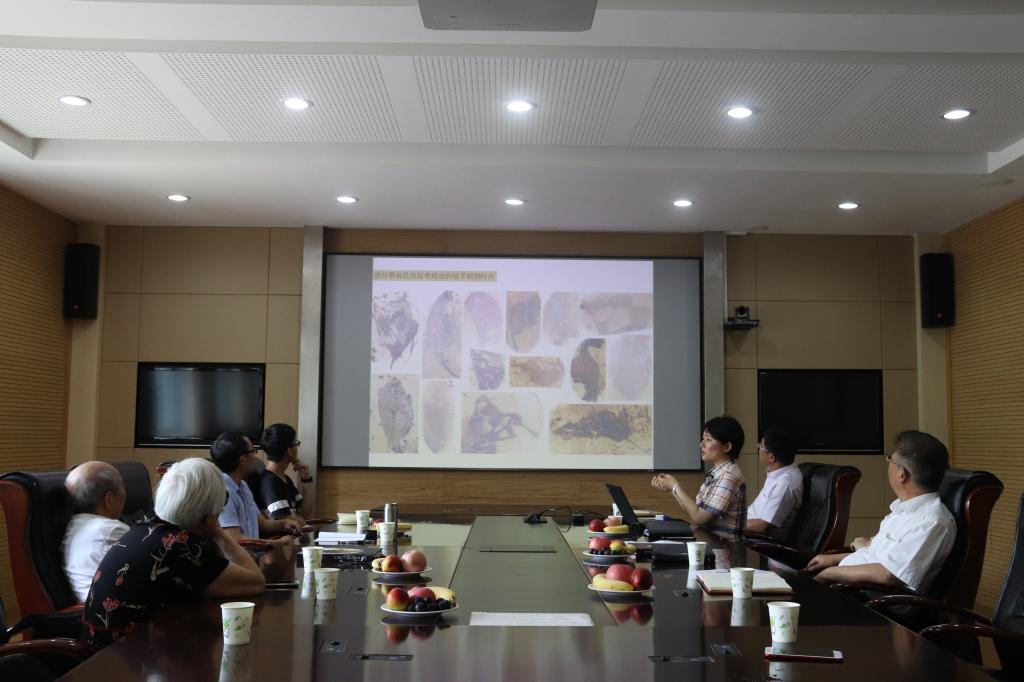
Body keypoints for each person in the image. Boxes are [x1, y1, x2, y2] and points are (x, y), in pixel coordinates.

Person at [82, 458, 265, 648]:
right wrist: (219, 533)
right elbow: (256, 582)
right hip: (123, 656)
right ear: (209, 510)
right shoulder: (181, 547)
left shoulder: (147, 526)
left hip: (110, 648)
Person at [807, 430, 956, 593]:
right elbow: (876, 558)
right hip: (849, 587)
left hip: (864, 598)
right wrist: (833, 559)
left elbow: (887, 574)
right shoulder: (903, 509)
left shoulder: (931, 521)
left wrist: (829, 573)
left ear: (901, 474)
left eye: (890, 459)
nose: (888, 463)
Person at [651, 416, 747, 539]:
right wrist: (672, 489)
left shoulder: (728, 477)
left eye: (708, 439)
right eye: (703, 439)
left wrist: (675, 486)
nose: (701, 444)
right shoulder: (718, 473)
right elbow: (694, 511)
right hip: (710, 542)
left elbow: (699, 518)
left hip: (724, 548)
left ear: (726, 447)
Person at [210, 431, 300, 544]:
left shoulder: (243, 486)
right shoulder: (223, 492)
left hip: (254, 552)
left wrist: (282, 524)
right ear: (242, 459)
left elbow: (261, 523)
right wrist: (278, 542)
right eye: (253, 451)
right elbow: (235, 540)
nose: (255, 455)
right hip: (241, 555)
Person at [61, 461, 130, 602]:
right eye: (123, 487)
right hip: (113, 611)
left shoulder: (73, 527)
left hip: (89, 609)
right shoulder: (112, 531)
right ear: (109, 499)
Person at [745, 428, 803, 539]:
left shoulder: (784, 484)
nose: (758, 447)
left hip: (757, 539)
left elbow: (762, 526)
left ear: (771, 457)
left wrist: (729, 524)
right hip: (748, 526)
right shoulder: (779, 472)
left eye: (761, 446)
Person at [258, 423, 313, 523]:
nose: (297, 448)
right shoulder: (269, 482)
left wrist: (306, 480)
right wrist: (300, 520)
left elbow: (306, 516)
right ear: (289, 451)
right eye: (296, 444)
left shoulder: (285, 479)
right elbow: (288, 522)